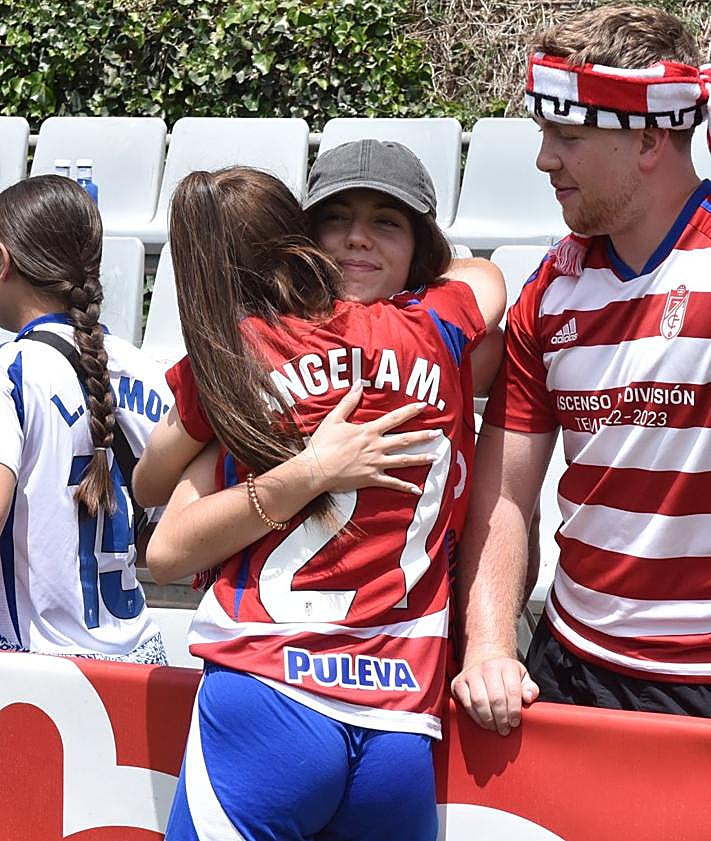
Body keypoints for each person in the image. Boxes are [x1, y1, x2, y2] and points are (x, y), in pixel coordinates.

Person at [143, 159, 503, 840]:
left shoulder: (243, 350)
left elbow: (153, 508)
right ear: (300, 237)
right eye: (337, 219)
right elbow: (485, 277)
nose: (358, 238)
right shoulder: (445, 331)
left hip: (269, 690)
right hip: (398, 713)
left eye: (383, 223)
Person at [452, 4, 711, 735]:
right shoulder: (551, 287)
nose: (543, 160)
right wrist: (491, 644)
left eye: (567, 136)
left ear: (651, 138)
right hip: (572, 664)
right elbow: (505, 496)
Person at [0, 175, 170, 663]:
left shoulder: (13, 370)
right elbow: (162, 533)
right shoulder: (145, 372)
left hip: (37, 672)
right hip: (140, 659)